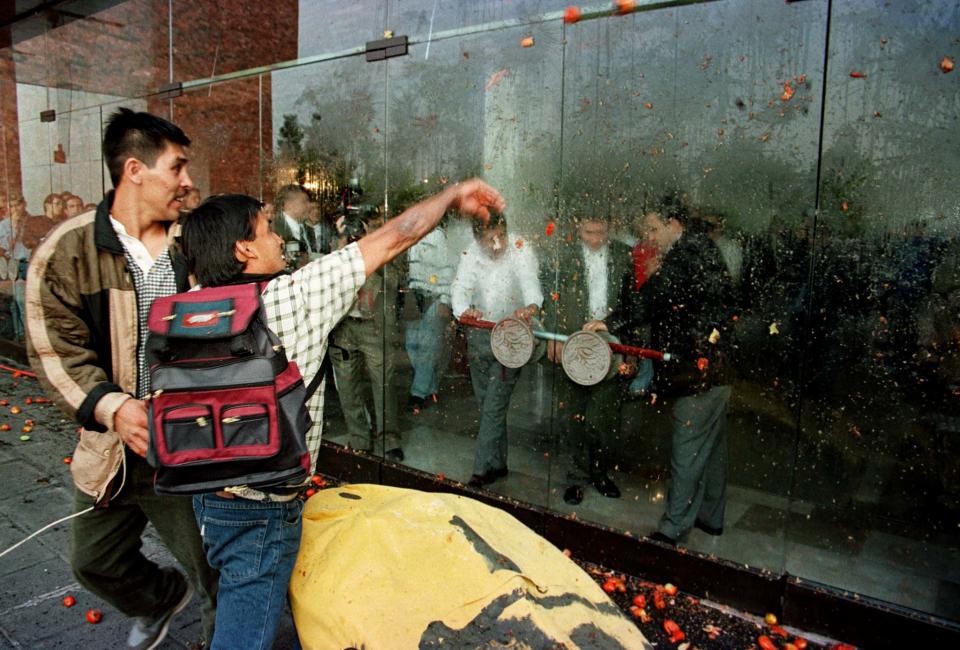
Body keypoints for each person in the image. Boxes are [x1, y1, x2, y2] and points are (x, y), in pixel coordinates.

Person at [178, 180, 504, 650]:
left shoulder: (188, 311)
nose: (277, 239)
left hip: (206, 497)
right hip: (263, 510)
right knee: (245, 629)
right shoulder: (293, 298)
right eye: (267, 229)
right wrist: (454, 196)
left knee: (243, 594)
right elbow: (397, 236)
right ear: (243, 248)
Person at [25, 108, 219, 650]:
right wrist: (113, 407)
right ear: (135, 170)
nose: (187, 180)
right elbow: (54, 348)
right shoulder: (68, 250)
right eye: (177, 167)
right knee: (94, 561)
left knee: (216, 570)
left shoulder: (196, 241)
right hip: (112, 444)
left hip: (185, 444)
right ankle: (159, 598)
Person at [603, 194, 735, 545]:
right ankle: (711, 516)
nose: (648, 236)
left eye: (652, 228)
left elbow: (655, 297)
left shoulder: (686, 253)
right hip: (716, 368)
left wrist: (608, 322)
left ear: (674, 224)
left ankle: (673, 529)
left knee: (687, 449)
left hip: (697, 371)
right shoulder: (702, 248)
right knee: (713, 447)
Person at [544, 212, 632, 505]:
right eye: (588, 233)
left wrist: (631, 351)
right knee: (574, 416)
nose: (595, 239)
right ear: (577, 228)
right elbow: (549, 296)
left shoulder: (624, 255)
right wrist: (553, 336)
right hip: (572, 343)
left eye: (600, 232)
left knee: (602, 418)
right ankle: (576, 477)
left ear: (610, 228)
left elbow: (634, 305)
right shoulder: (562, 255)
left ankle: (600, 472)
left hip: (611, 344)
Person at [451, 213, 543, 488]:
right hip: (479, 336)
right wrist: (464, 310)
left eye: (500, 236)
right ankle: (499, 462)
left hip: (511, 338)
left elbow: (531, 286)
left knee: (493, 407)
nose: (496, 244)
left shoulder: (520, 247)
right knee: (488, 406)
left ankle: (480, 470)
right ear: (477, 238)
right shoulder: (470, 253)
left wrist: (530, 307)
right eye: (488, 239)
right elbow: (459, 290)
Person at [328, 206, 404, 461]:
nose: (364, 230)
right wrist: (342, 242)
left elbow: (395, 282)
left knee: (384, 383)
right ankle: (359, 439)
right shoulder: (340, 246)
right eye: (364, 225)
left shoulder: (388, 246)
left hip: (374, 325)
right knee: (348, 386)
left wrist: (375, 252)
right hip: (345, 326)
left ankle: (389, 438)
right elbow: (329, 277)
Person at [404, 215, 455, 413]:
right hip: (414, 295)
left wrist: (444, 299)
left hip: (433, 296)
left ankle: (417, 394)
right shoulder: (413, 236)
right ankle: (431, 388)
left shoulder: (438, 237)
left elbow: (447, 270)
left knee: (426, 348)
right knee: (412, 345)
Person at [272, 183, 315, 266]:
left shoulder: (308, 229)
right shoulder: (274, 231)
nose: (309, 206)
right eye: (304, 202)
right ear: (288, 205)